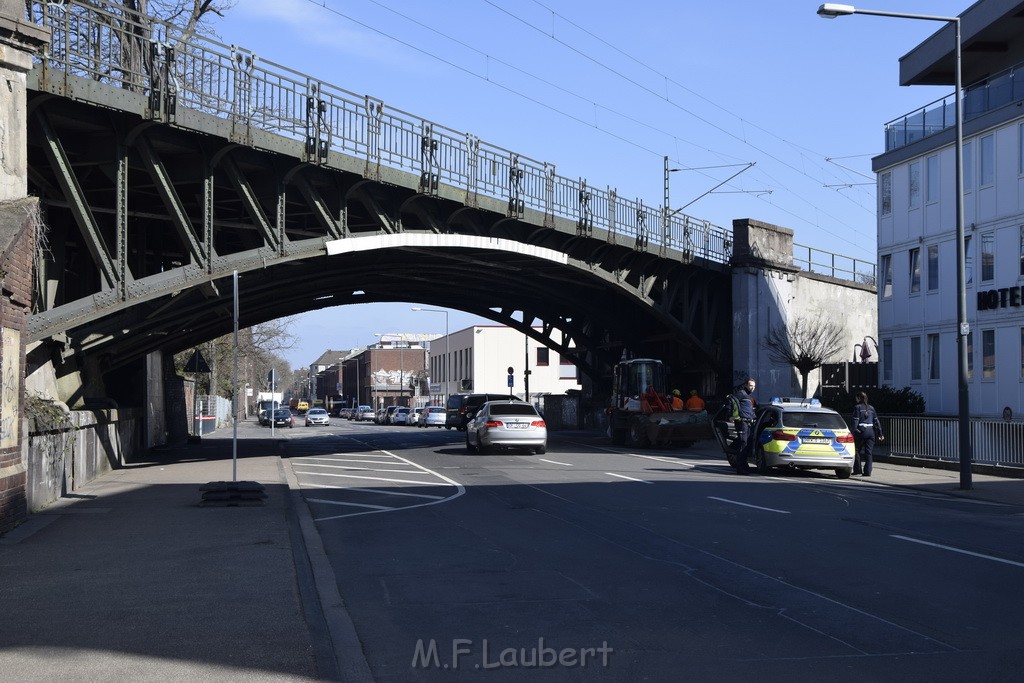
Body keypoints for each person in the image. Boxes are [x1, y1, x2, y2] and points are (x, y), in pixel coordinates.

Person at [852, 391, 884, 476]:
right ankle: (868, 471)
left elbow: (855, 421)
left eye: (856, 398)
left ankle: (857, 470)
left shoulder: (857, 407)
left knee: (856, 450)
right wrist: (880, 433)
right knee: (868, 452)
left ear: (858, 398)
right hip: (871, 432)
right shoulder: (871, 408)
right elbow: (876, 421)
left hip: (861, 432)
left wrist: (853, 432)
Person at [731, 378, 757, 474]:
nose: (752, 388)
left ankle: (744, 465)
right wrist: (732, 416)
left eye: (754, 386)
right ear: (746, 385)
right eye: (750, 385)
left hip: (749, 423)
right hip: (742, 423)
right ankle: (740, 468)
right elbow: (731, 402)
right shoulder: (741, 393)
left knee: (747, 445)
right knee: (743, 444)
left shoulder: (749, 397)